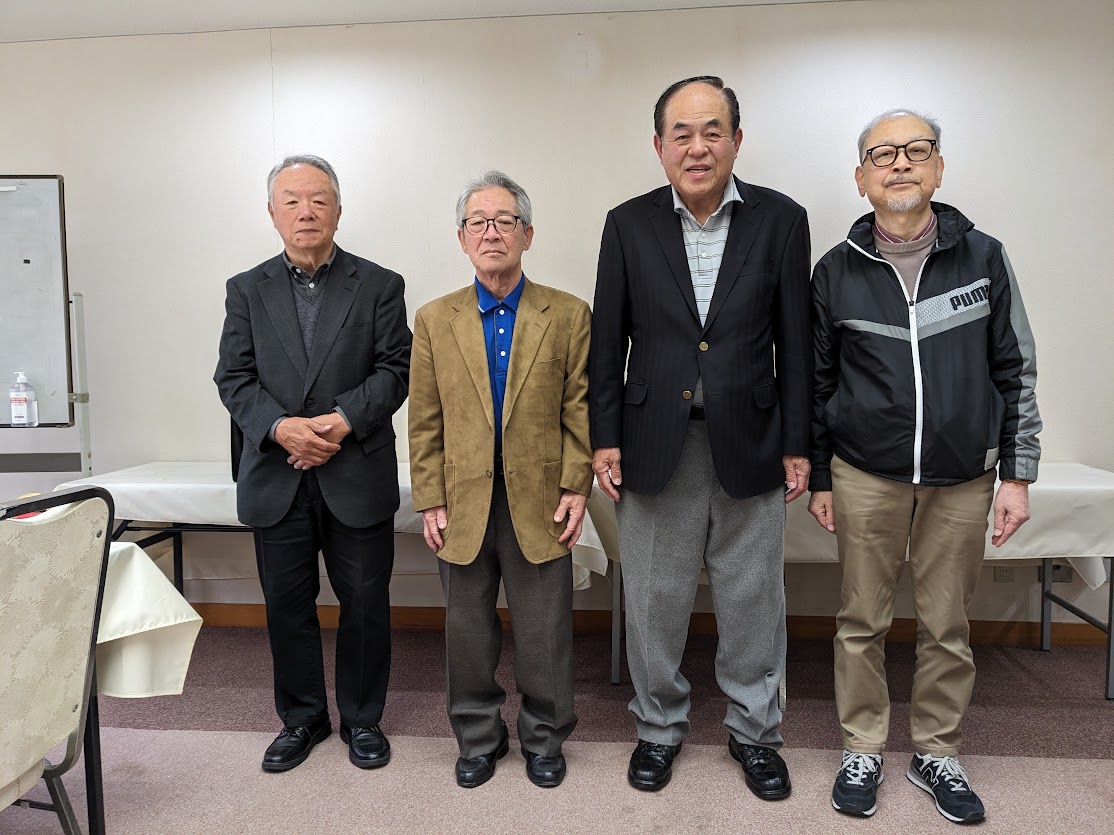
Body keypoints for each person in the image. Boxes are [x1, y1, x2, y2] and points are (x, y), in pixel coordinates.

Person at [808, 109, 1041, 824]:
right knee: (861, 620)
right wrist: (822, 476)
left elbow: (1015, 368)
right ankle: (863, 747)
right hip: (864, 473)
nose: (901, 163)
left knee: (947, 625)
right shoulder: (835, 270)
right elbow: (816, 385)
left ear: (939, 167)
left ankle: (937, 751)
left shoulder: (984, 257)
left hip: (962, 477)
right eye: (884, 154)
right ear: (861, 178)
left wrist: (1017, 474)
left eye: (917, 150)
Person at [589, 76, 812, 799]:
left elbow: (796, 343)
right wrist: (604, 437)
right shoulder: (627, 224)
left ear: (736, 140)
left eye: (712, 131)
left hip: (753, 437)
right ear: (659, 146)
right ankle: (658, 727)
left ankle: (756, 733)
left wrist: (799, 441)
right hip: (655, 441)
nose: (697, 146)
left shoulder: (783, 220)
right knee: (654, 598)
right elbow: (607, 342)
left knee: (754, 600)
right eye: (680, 133)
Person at [214, 154, 411, 772]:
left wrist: (343, 420)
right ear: (272, 213)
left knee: (365, 604)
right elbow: (233, 377)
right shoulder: (246, 289)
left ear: (338, 211)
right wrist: (282, 429)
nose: (306, 211)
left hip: (356, 471)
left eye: (319, 199)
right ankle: (302, 719)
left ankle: (362, 719)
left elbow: (397, 369)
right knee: (286, 605)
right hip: (277, 475)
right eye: (293, 200)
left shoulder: (379, 284)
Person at [408, 170, 593, 789]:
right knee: (467, 631)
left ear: (527, 235)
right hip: (462, 501)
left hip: (541, 500)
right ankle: (478, 738)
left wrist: (576, 486)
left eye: (505, 221)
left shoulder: (568, 314)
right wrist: (430, 497)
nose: (492, 233)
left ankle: (545, 737)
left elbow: (579, 410)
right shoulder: (434, 319)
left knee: (545, 631)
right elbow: (425, 418)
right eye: (478, 223)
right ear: (462, 238)